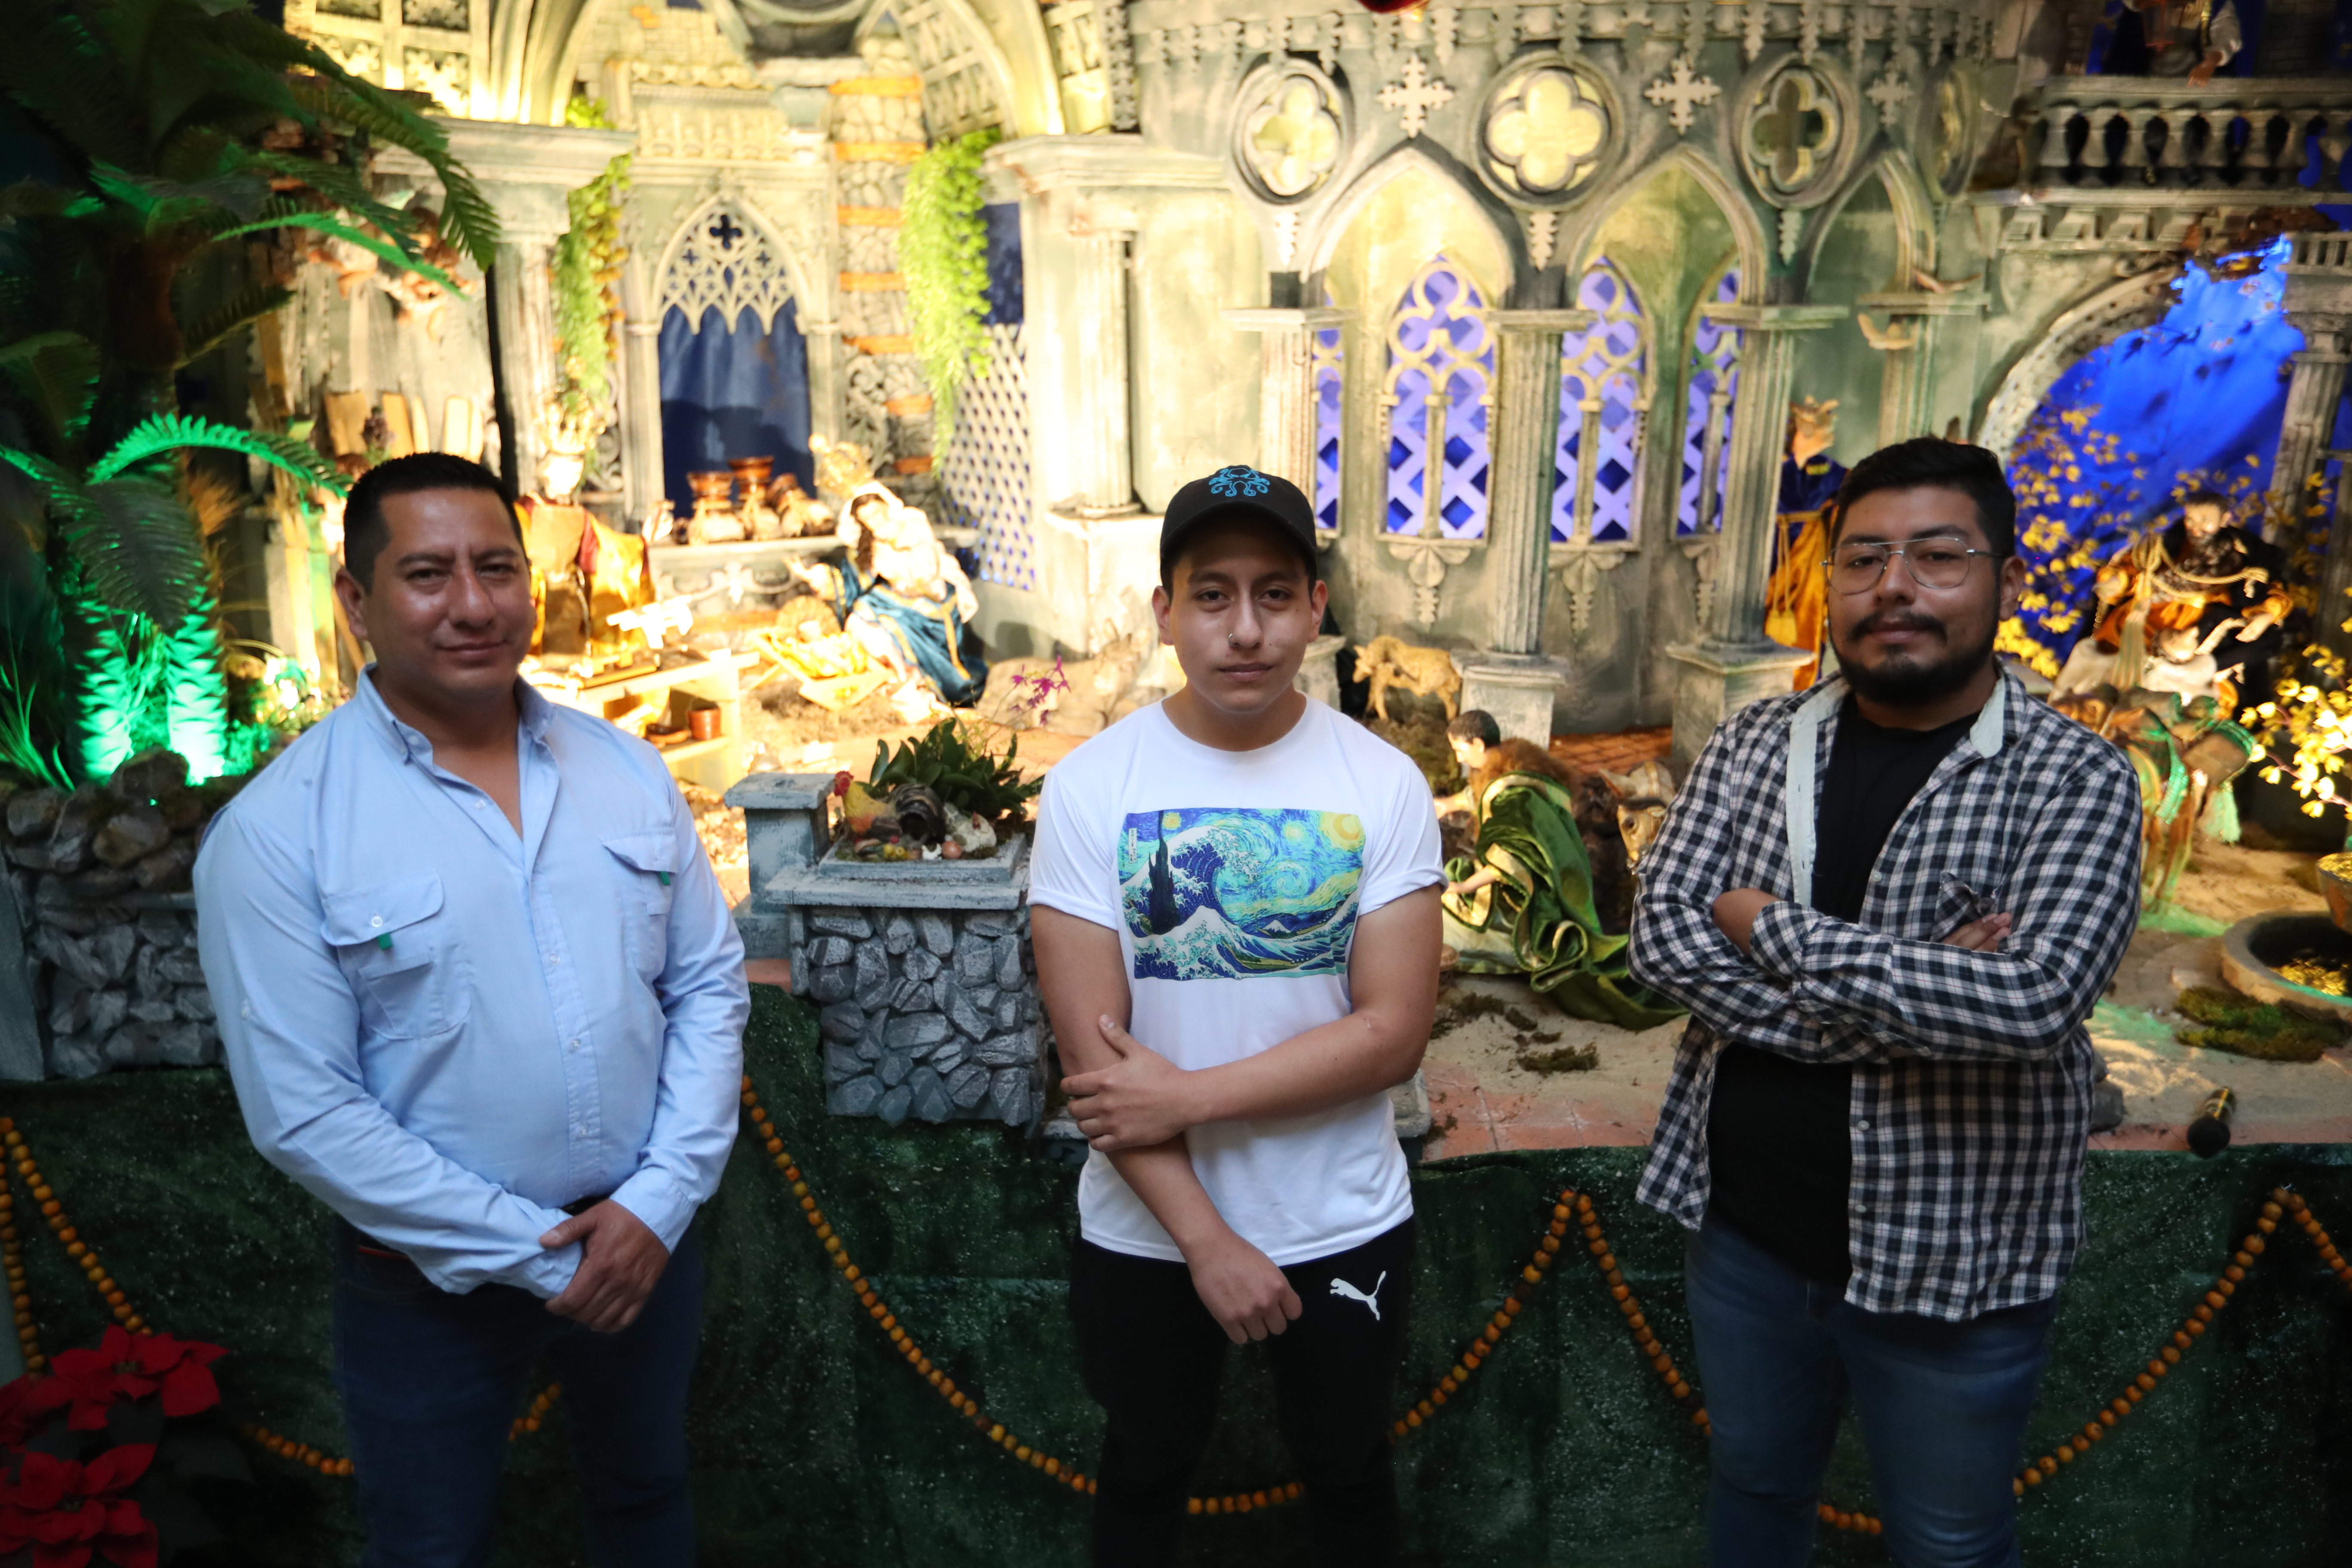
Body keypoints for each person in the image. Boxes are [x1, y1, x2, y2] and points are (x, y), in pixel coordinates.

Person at [194, 452, 747, 1568]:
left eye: (498, 568)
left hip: (647, 1238)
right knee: (432, 1545)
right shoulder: (281, 831)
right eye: (429, 574)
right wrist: (545, 1260)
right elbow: (305, 1113)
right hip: (425, 1284)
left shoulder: (624, 774)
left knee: (646, 1502)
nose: (474, 605)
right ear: (357, 601)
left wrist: (658, 1202)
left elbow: (705, 986)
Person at [1625, 437, 2144, 1568]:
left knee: (1950, 1542)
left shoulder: (2076, 777)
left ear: (2006, 581)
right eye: (1864, 559)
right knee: (1755, 1492)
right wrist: (1920, 987)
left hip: (1957, 1261)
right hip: (1748, 1235)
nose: (1894, 587)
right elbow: (1660, 938)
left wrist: (1770, 928)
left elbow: (2033, 1001)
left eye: (1937, 556)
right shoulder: (1759, 743)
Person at [1027, 464, 1444, 1568]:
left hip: (1340, 1220)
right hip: (1146, 1229)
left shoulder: (1383, 784)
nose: (1243, 629)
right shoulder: (1088, 789)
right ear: (1162, 611)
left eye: (1273, 593)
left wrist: (1192, 1094)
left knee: (1351, 1481)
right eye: (1210, 594)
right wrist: (1205, 1239)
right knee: (1142, 1474)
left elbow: (1391, 1031)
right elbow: (1095, 1061)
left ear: (1316, 606)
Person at [1439, 710, 1678, 1028]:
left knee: (1442, 911)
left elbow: (1512, 861)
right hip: (1556, 875)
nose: (1459, 758)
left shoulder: (1513, 798)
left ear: (1479, 745)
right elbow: (1482, 796)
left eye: (1460, 750)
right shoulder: (1519, 766)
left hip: (1529, 900)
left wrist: (1464, 888)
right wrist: (1447, 804)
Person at [2052, 488, 2290, 712]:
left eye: (2205, 521)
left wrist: (2266, 614)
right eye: (2191, 520)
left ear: (2224, 519)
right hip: (2142, 618)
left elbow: (2268, 593)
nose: (2196, 529)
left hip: (2196, 628)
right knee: (2106, 665)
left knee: (2190, 684)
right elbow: (2128, 571)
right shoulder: (2161, 548)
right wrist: (2116, 582)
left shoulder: (2244, 561)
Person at [787, 483, 988, 705]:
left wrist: (896, 552)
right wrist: (814, 576)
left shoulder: (911, 526)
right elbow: (852, 580)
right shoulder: (870, 542)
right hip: (894, 598)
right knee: (858, 619)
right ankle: (898, 676)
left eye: (875, 514)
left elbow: (927, 571)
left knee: (889, 622)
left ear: (886, 506)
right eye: (866, 519)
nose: (873, 522)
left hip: (928, 598)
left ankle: (918, 678)